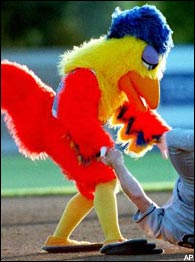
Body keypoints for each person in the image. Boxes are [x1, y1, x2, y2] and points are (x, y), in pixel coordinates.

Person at [100, 128, 194, 254]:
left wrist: (116, 164)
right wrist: (117, 164)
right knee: (170, 138)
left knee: (170, 138)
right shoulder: (162, 228)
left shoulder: (168, 231)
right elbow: (137, 196)